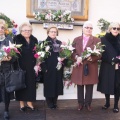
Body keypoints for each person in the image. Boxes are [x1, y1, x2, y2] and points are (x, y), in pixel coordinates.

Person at [71, 21, 101, 111]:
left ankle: (88, 104)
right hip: (79, 65)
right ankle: (80, 103)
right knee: (79, 85)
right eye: (87, 27)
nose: (89, 29)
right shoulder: (76, 39)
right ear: (83, 29)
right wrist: (76, 57)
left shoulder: (97, 40)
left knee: (89, 86)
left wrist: (92, 58)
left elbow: (100, 53)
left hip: (90, 66)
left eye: (91, 28)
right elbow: (72, 51)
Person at [13, 22, 38, 111]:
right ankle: (22, 103)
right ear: (21, 31)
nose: (27, 32)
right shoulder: (17, 38)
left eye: (29, 30)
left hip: (31, 65)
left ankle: (29, 102)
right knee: (21, 84)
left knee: (31, 84)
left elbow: (36, 52)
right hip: (21, 65)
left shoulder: (34, 39)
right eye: (25, 30)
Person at [97, 22, 120, 113]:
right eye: (114, 28)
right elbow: (100, 54)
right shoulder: (103, 39)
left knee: (117, 85)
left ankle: (116, 105)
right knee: (106, 83)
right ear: (110, 29)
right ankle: (107, 103)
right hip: (107, 65)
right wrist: (111, 59)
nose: (116, 30)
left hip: (118, 66)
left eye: (118, 29)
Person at [41, 26, 64, 109]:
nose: (53, 33)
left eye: (55, 32)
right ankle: (49, 102)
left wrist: (63, 58)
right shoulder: (44, 43)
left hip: (58, 67)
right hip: (48, 68)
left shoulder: (59, 42)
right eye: (52, 31)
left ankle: (55, 101)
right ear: (48, 32)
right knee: (49, 85)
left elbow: (63, 54)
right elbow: (41, 57)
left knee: (57, 85)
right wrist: (44, 68)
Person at [0, 19, 15, 120]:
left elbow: (15, 55)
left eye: (2, 27)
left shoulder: (9, 39)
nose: (0, 29)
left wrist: (10, 58)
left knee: (6, 91)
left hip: (6, 69)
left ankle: (6, 110)